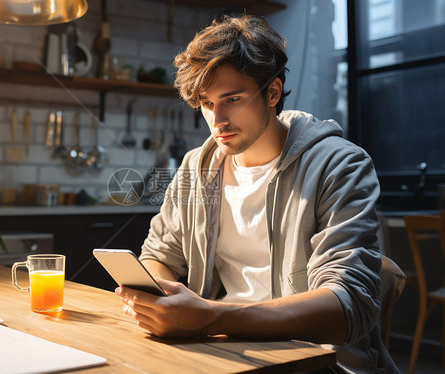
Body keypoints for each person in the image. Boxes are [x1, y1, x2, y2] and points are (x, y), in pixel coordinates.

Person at [115, 15, 399, 373]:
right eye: (206, 103)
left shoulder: (340, 166)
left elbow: (348, 306)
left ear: (273, 92)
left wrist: (211, 318)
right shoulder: (195, 168)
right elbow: (160, 254)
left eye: (232, 99)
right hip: (217, 348)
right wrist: (158, 297)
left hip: (313, 359)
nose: (217, 120)